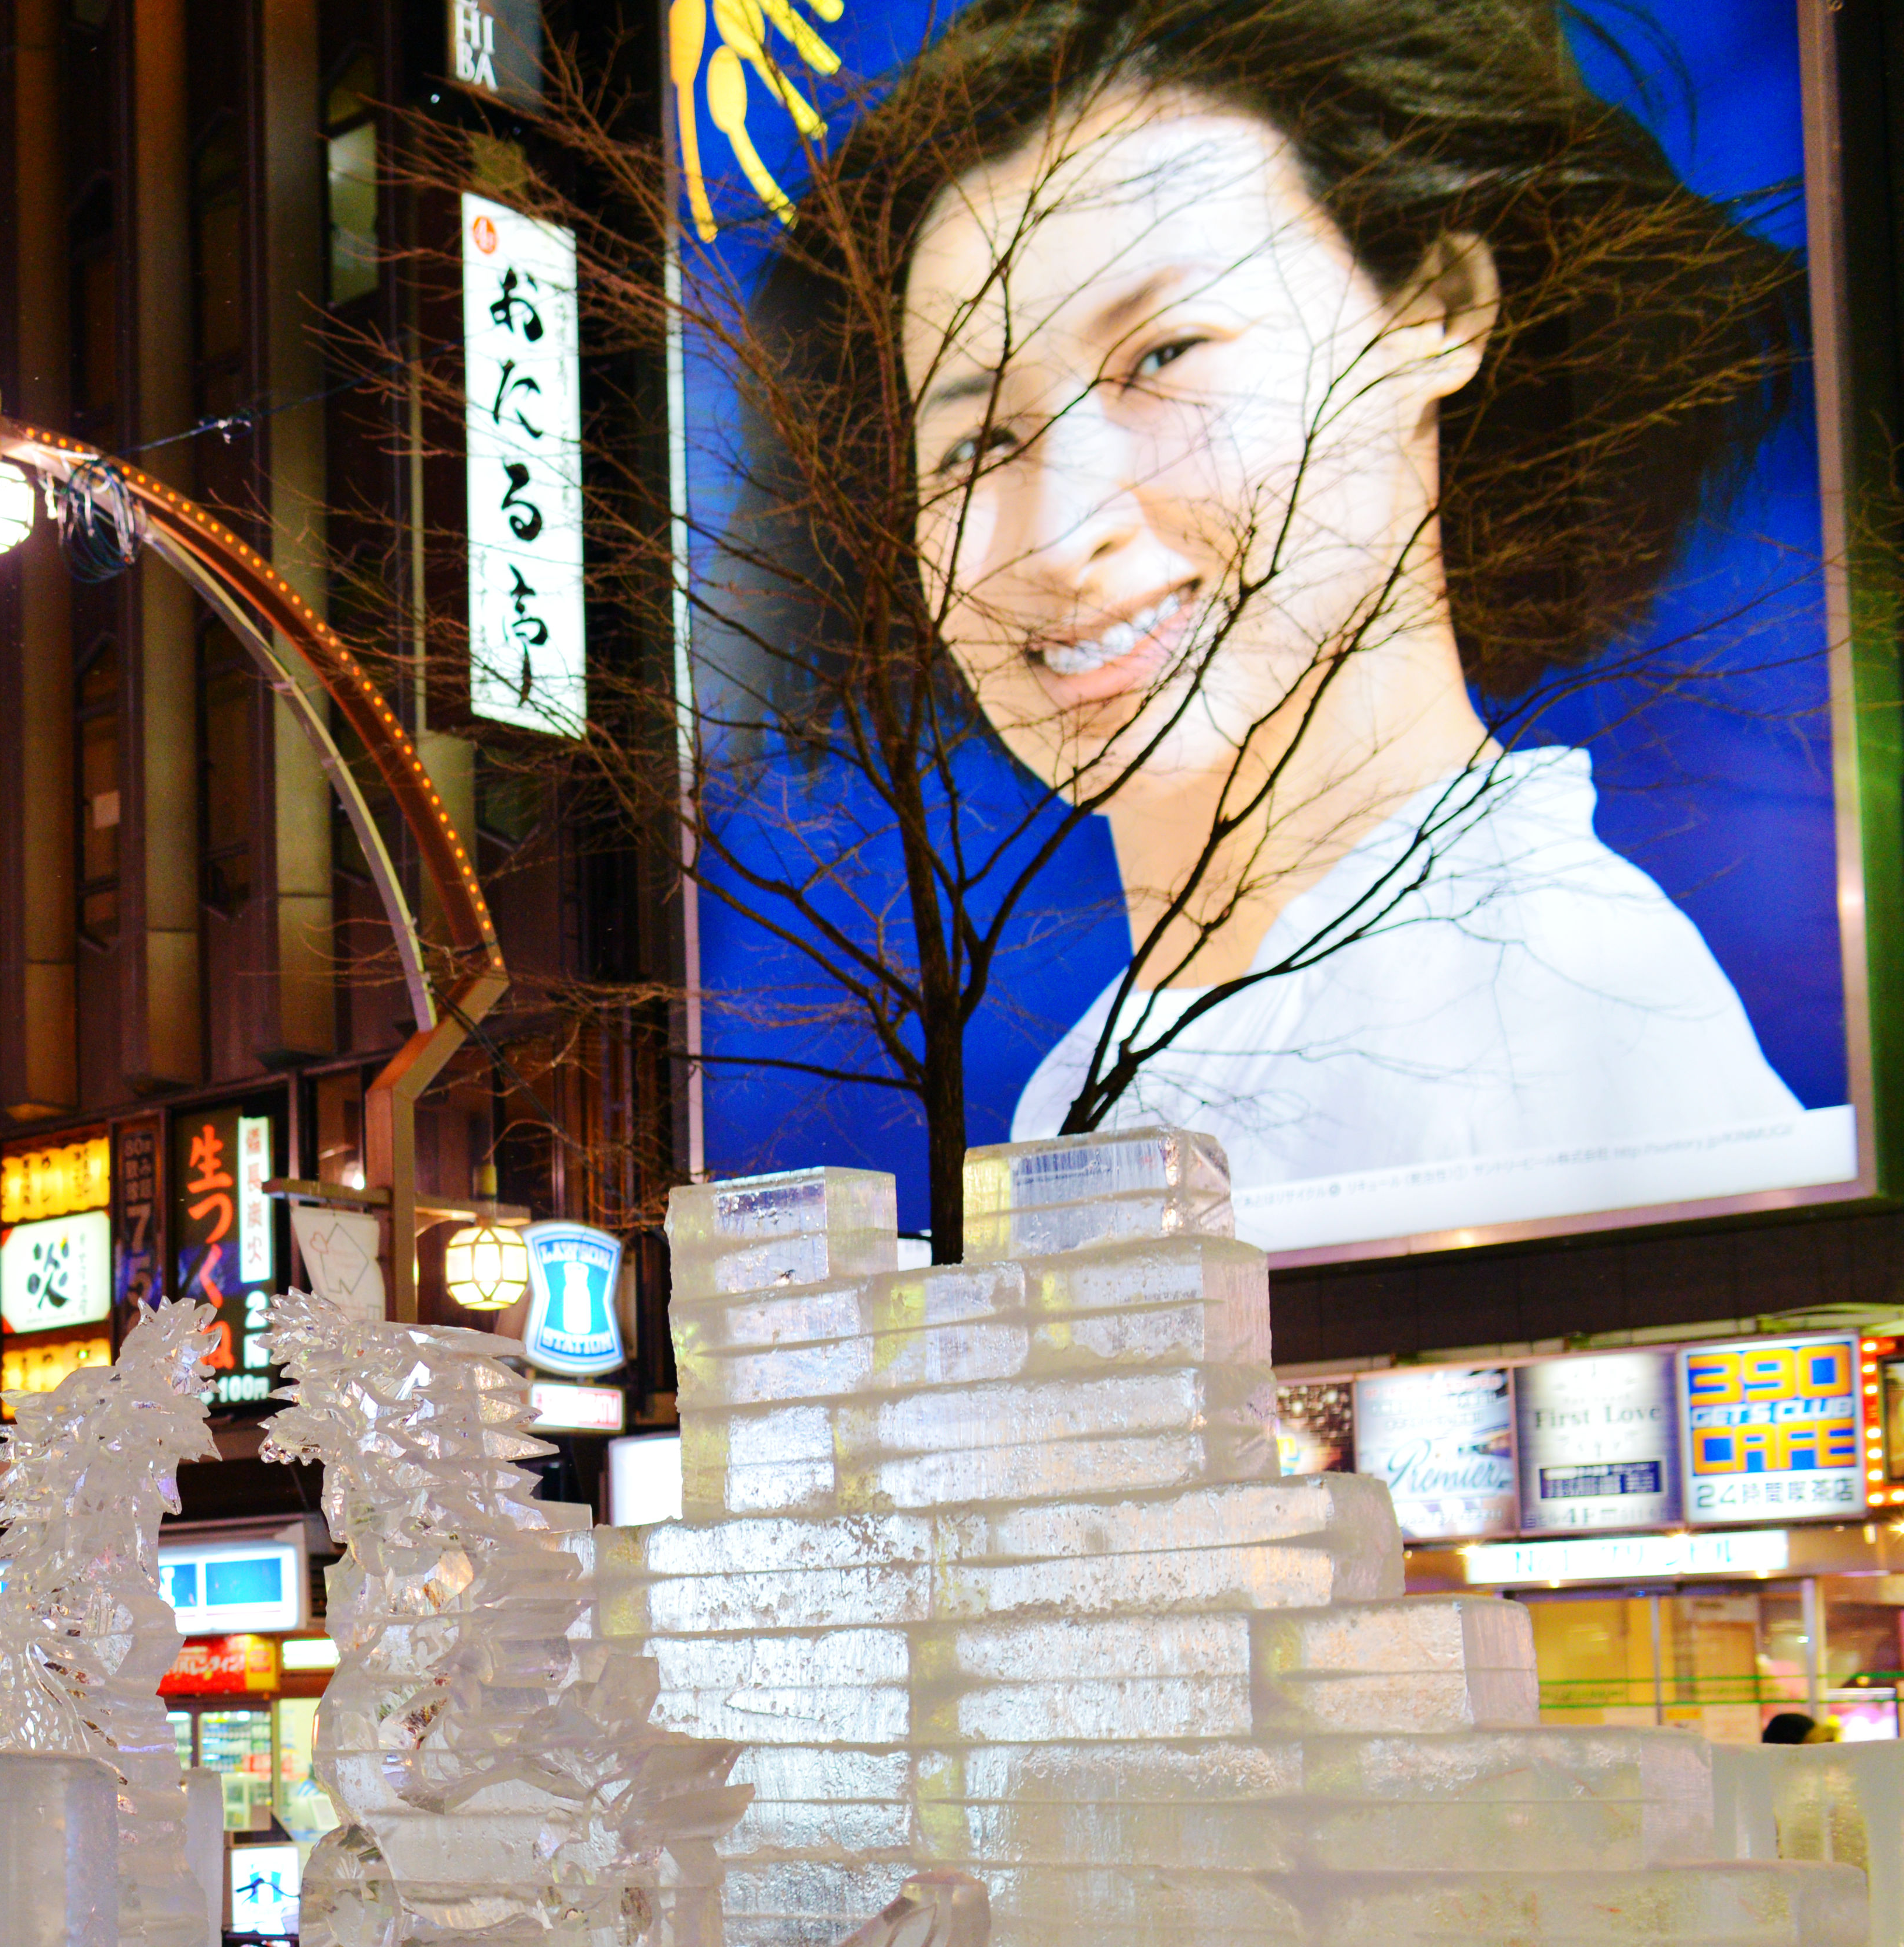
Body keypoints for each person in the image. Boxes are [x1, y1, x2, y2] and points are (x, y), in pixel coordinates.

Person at [747, 0, 1836, 1246]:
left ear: (1433, 306)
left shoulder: (1544, 1006)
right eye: (975, 442)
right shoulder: (1096, 1079)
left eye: (1161, 356)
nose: (1057, 535)